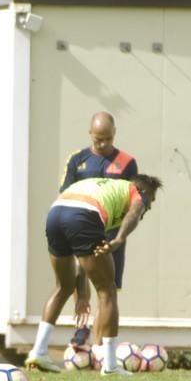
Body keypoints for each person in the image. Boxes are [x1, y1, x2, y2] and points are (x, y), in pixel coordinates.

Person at [24, 175, 162, 375]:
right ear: (144, 192)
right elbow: (134, 212)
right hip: (83, 214)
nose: (147, 208)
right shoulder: (135, 192)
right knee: (108, 291)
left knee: (63, 286)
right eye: (151, 201)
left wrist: (82, 293)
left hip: (55, 213)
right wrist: (120, 239)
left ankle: (39, 351)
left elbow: (82, 256)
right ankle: (111, 365)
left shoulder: (107, 192)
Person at [59, 112, 138, 350]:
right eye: (97, 139)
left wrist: (120, 233)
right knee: (79, 275)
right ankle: (80, 328)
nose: (102, 144)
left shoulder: (127, 163)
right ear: (90, 134)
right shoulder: (77, 160)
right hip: (83, 230)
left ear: (114, 134)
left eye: (107, 139)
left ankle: (97, 345)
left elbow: (133, 201)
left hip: (111, 234)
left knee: (107, 288)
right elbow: (65, 194)